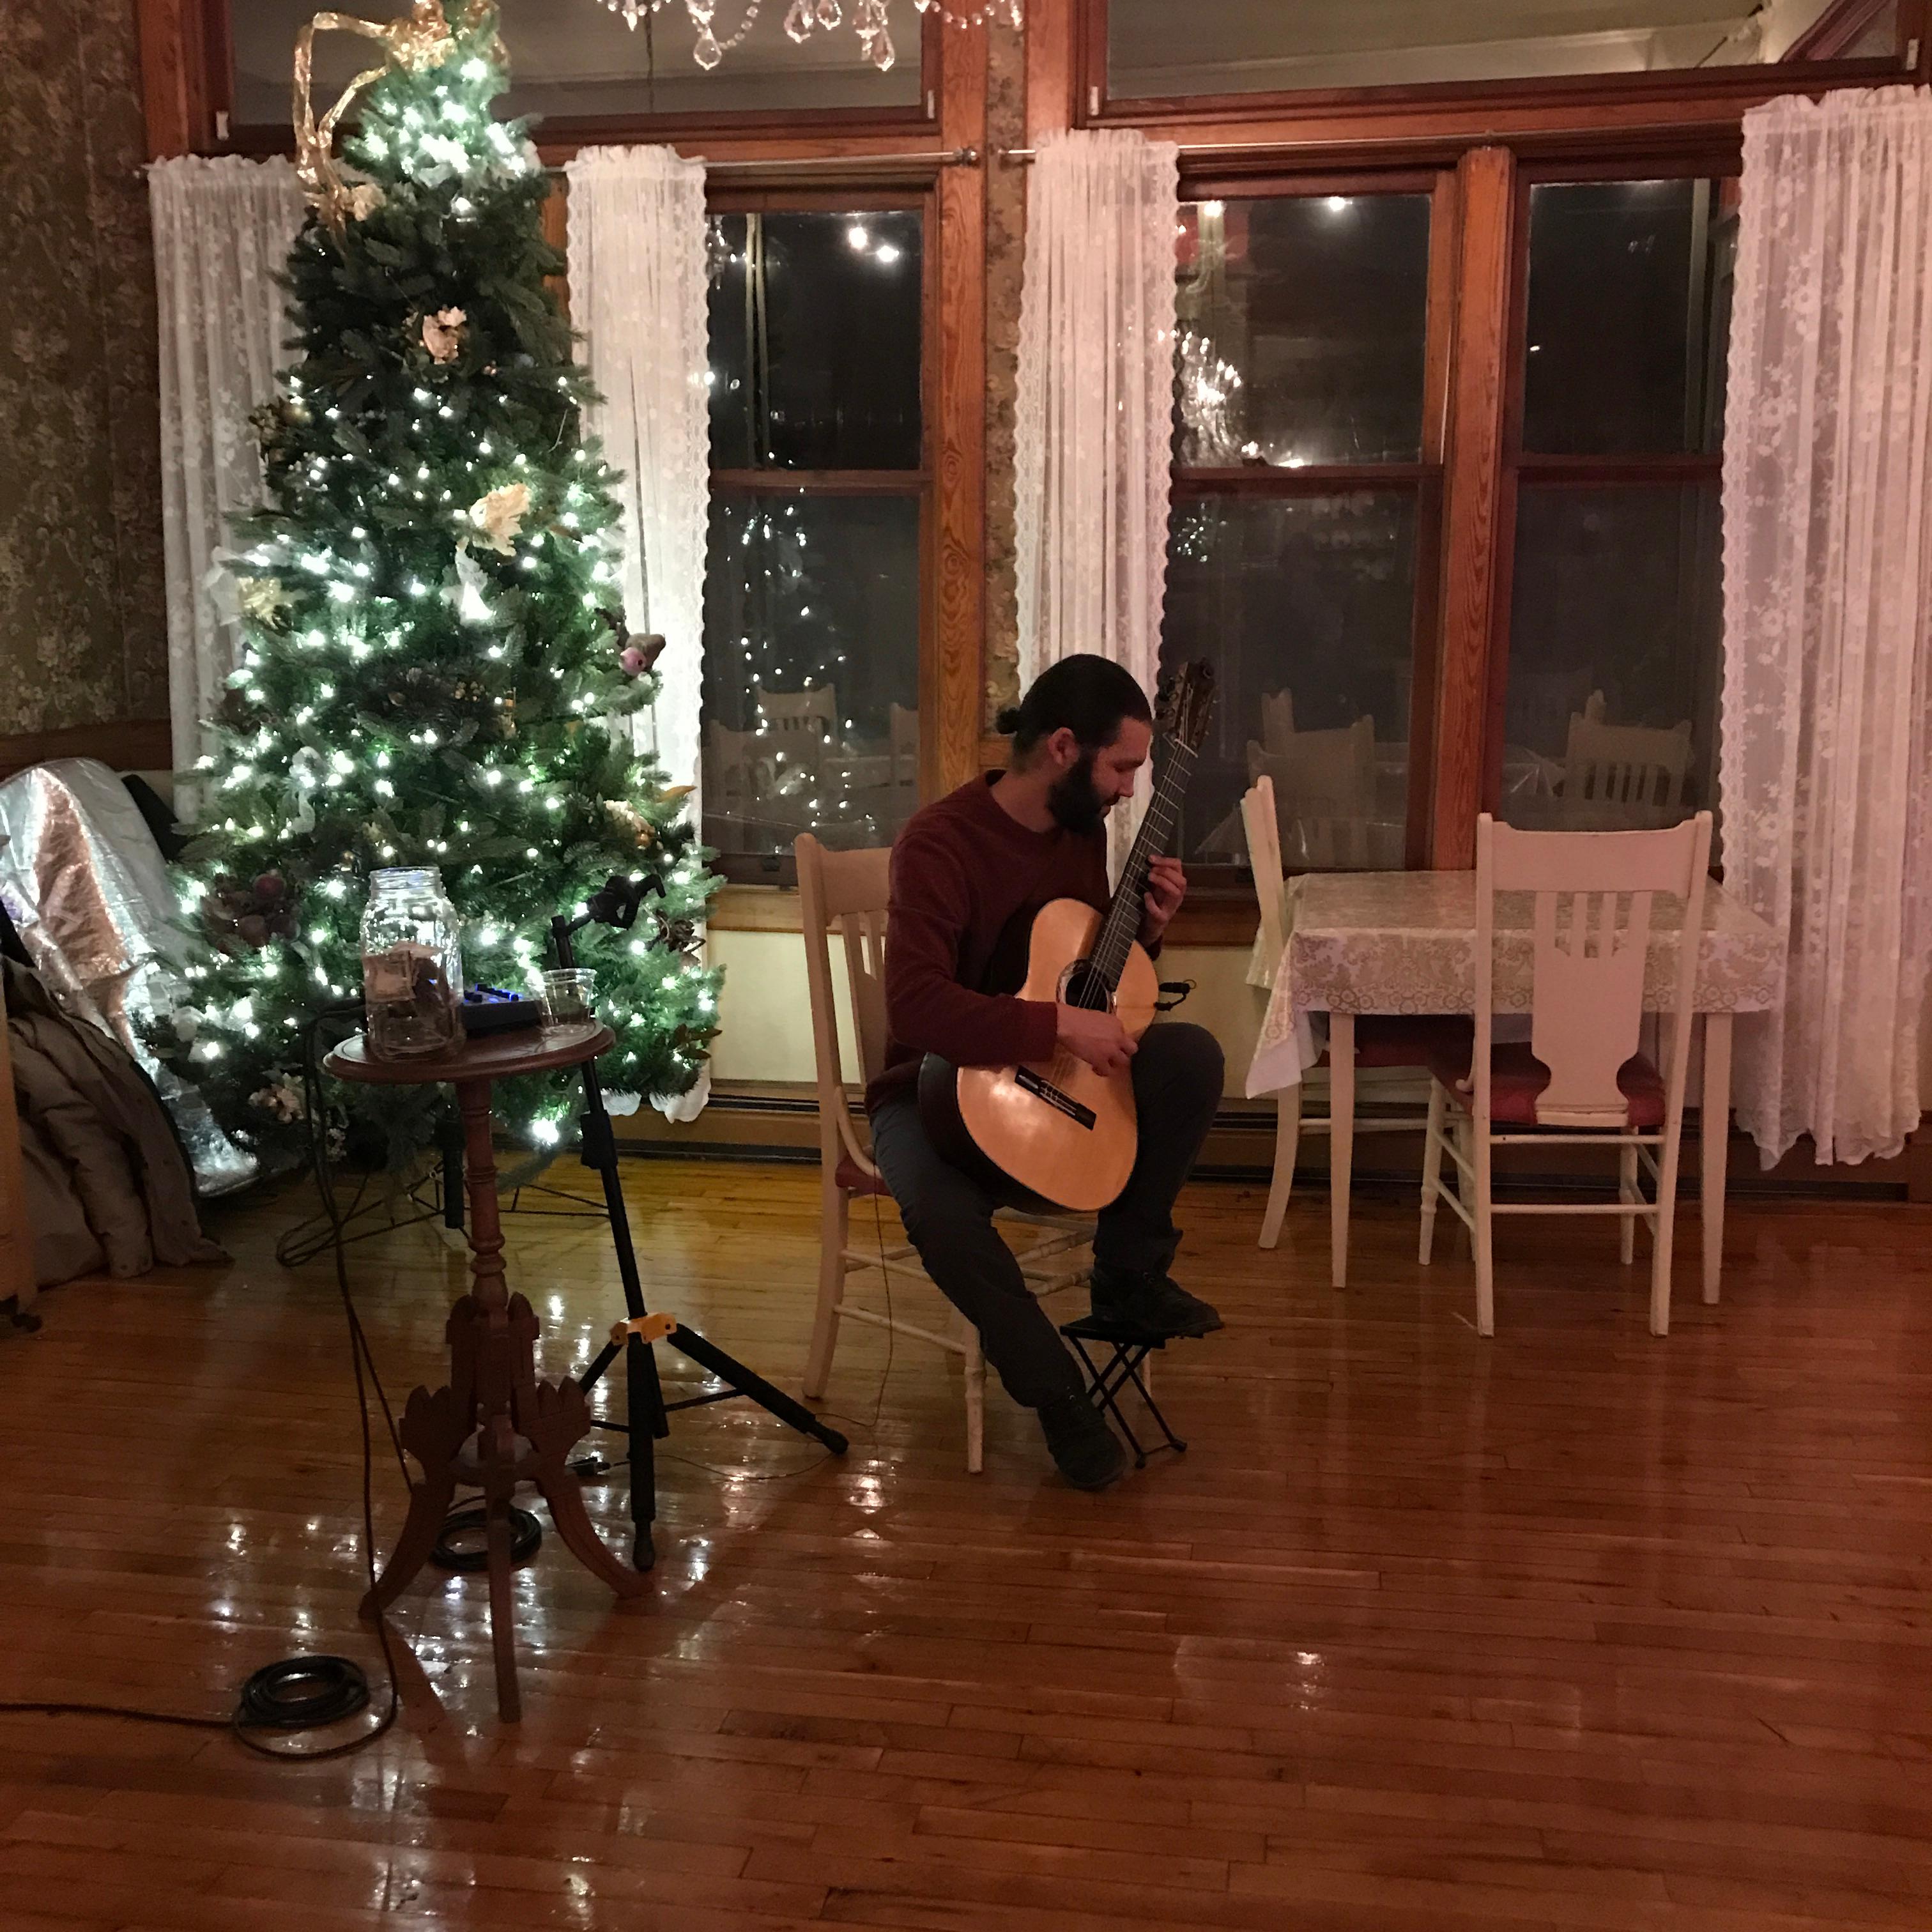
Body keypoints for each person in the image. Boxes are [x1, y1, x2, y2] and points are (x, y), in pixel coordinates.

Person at [865, 655, 1225, 1492]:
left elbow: (1077, 969)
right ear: (1064, 747)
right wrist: (1061, 1022)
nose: (1129, 789)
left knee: (1189, 1057)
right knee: (944, 1218)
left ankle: (1128, 1275)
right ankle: (1059, 1395)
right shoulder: (939, 842)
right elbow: (917, 1009)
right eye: (1123, 767)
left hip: (1042, 1082)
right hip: (928, 1094)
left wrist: (1148, 934)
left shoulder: (1080, 833)